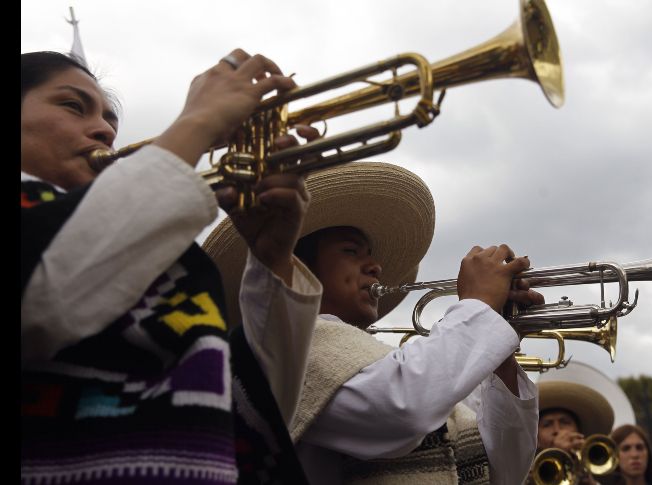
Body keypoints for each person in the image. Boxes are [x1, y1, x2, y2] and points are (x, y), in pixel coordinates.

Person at [21, 49, 323, 483]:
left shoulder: (155, 253)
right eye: (72, 105)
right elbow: (44, 300)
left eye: (110, 119)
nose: (105, 130)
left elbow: (251, 421)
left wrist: (272, 259)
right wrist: (197, 123)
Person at [204, 161, 545, 484]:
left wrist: (499, 357)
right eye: (352, 251)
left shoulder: (389, 363)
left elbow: (504, 470)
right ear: (298, 267)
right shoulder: (292, 350)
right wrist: (478, 307)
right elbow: (400, 409)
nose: (376, 267)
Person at [532, 380, 615, 485]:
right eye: (547, 424)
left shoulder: (610, 477)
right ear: (536, 438)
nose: (557, 430)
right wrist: (557, 455)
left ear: (579, 431)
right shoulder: (523, 472)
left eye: (565, 422)